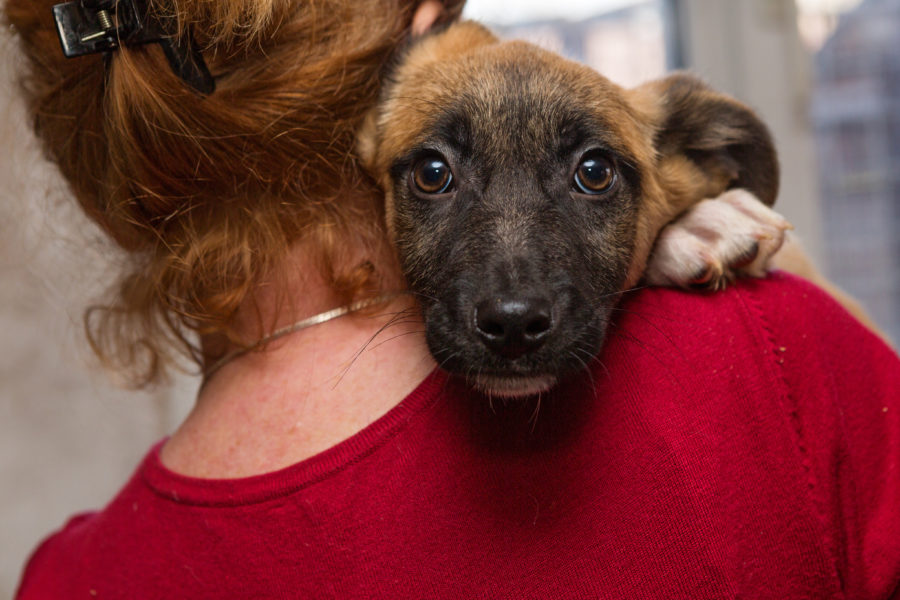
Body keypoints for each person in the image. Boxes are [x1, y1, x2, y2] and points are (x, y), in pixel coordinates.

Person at [8, 0, 900, 598]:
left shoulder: (63, 582)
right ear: (424, 28)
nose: (511, 308)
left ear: (101, 173)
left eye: (594, 175)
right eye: (434, 173)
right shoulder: (772, 364)